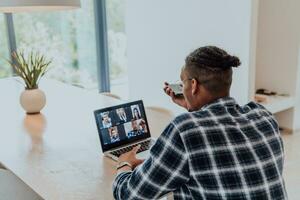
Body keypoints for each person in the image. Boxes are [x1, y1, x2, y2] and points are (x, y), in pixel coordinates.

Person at [113, 46, 287, 200]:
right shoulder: (263, 116)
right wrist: (193, 106)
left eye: (183, 82)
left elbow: (131, 195)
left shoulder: (185, 129)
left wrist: (124, 164)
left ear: (194, 85)